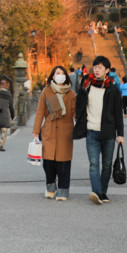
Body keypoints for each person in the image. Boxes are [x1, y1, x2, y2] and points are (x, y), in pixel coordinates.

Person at [79, 56, 125, 204]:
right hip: (91, 130)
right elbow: (79, 105)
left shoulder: (113, 89)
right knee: (93, 164)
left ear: (107, 70)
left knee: (106, 165)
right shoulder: (86, 85)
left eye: (100, 67)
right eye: (95, 67)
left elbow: (118, 113)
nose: (97, 70)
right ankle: (97, 192)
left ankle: (102, 193)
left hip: (108, 132)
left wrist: (121, 134)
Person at [32, 65, 76, 201]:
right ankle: (50, 187)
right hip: (49, 130)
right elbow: (40, 112)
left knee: (64, 164)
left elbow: (76, 113)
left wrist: (82, 128)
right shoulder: (47, 92)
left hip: (65, 132)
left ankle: (63, 191)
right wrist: (36, 130)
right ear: (53, 76)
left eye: (62, 73)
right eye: (57, 73)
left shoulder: (71, 94)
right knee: (48, 163)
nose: (60, 75)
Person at [0, 78, 14, 151]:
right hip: (5, 115)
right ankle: (1, 144)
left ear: (0, 85)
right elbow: (11, 106)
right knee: (4, 132)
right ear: (5, 86)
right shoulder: (8, 94)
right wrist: (12, 116)